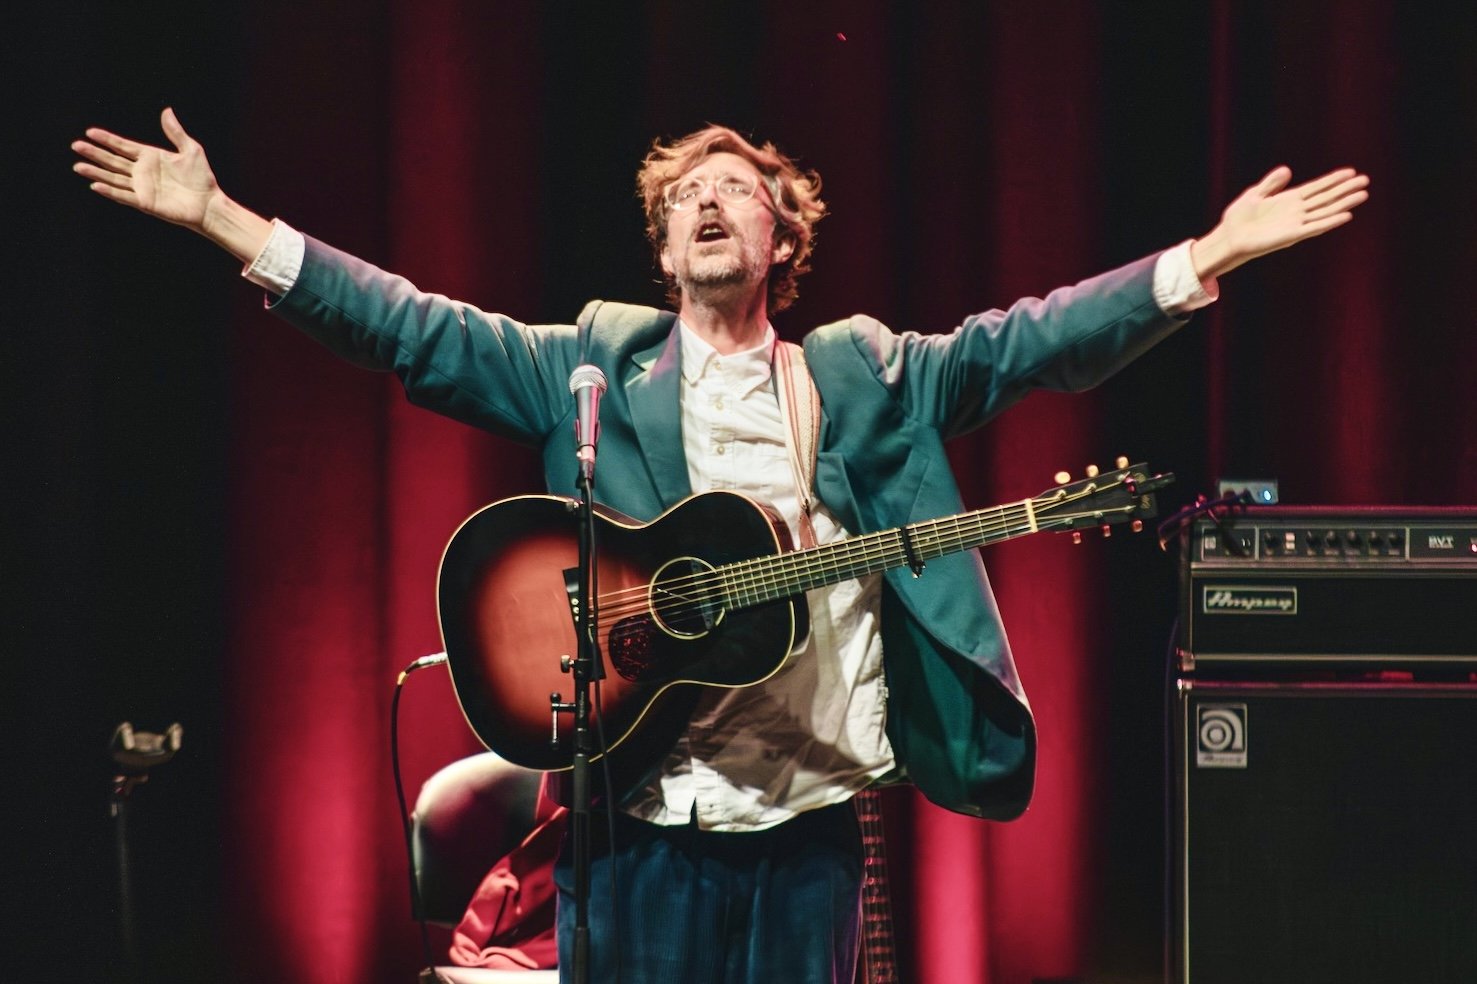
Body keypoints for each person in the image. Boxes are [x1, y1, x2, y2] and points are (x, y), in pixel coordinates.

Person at [72, 109, 1368, 983]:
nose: (708, 200)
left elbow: (1030, 340)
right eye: (687, 193)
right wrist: (227, 222)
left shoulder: (861, 374)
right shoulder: (592, 365)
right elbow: (413, 329)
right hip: (637, 824)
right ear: (662, 244)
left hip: (806, 830)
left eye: (736, 189)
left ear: (779, 237)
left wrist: (1203, 258)